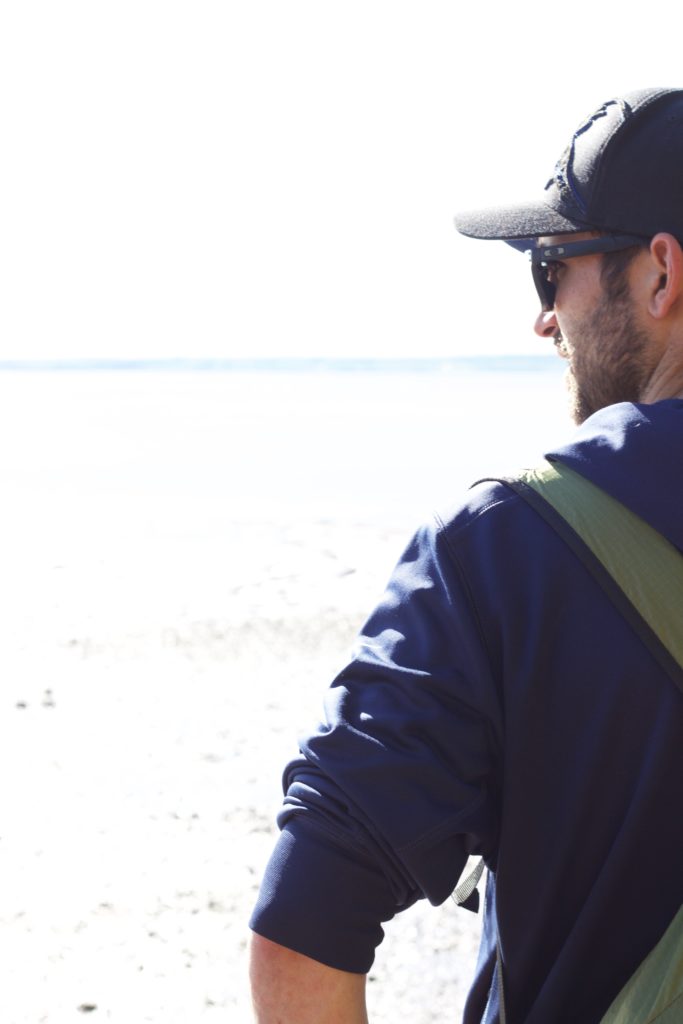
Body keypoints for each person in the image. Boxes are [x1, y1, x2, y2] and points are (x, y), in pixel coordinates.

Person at [248, 87, 683, 1022]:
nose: (542, 319)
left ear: (659, 275)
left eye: (548, 268)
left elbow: (305, 927)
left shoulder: (505, 546)